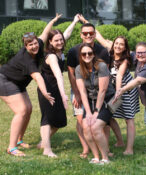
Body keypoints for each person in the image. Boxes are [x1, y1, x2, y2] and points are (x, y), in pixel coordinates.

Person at [0, 13, 61, 156]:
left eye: (35, 43)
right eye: (30, 45)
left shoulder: (38, 44)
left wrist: (52, 20)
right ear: (25, 46)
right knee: (21, 111)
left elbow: (45, 33)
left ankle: (20, 140)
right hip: (4, 80)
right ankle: (12, 147)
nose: (34, 46)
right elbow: (38, 77)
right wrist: (45, 93)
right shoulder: (26, 59)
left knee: (28, 108)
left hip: (18, 83)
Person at [37, 14, 80, 157]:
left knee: (60, 121)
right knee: (47, 119)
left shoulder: (59, 50)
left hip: (56, 89)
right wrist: (63, 95)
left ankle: (44, 141)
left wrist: (74, 21)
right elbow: (58, 75)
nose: (60, 42)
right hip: (47, 89)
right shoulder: (51, 56)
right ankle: (47, 149)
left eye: (61, 40)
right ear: (50, 42)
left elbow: (66, 34)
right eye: (56, 40)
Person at [67, 22, 111, 158]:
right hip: (81, 89)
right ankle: (86, 149)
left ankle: (105, 149)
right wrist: (77, 94)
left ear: (95, 34)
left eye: (91, 33)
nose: (88, 35)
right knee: (82, 120)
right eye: (85, 33)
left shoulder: (103, 51)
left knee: (103, 123)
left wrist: (97, 109)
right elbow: (71, 74)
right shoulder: (73, 51)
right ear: (81, 35)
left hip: (100, 92)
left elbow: (105, 78)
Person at [75, 43, 115, 164]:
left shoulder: (101, 66)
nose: (87, 55)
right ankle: (96, 157)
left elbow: (102, 90)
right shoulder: (78, 69)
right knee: (86, 126)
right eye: (84, 54)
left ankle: (105, 158)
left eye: (89, 53)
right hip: (92, 100)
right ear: (80, 56)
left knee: (96, 127)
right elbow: (82, 92)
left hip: (109, 100)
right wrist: (88, 112)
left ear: (93, 54)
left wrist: (96, 112)